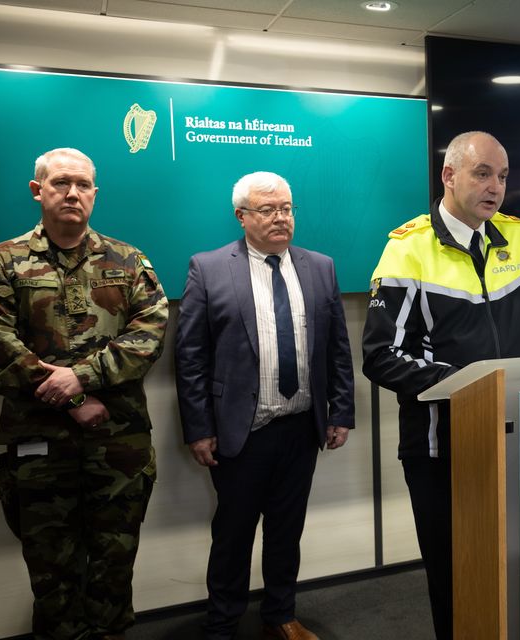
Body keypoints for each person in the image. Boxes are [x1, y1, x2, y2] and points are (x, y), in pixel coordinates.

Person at [362, 131, 520, 639]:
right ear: (449, 176)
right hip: (439, 449)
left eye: (503, 176)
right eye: (482, 173)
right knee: (456, 575)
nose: (496, 187)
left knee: (518, 562)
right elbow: (380, 356)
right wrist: (464, 384)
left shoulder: (517, 237)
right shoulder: (407, 250)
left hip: (516, 434)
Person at [175, 171, 355, 640]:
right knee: (233, 534)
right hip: (240, 431)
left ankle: (281, 614)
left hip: (300, 428)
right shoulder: (209, 267)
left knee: (286, 530)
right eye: (268, 210)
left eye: (287, 209)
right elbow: (190, 356)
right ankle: (223, 622)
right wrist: (198, 428)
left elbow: (338, 347)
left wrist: (341, 413)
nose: (281, 218)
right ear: (242, 216)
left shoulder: (320, 266)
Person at [0, 147, 168, 640]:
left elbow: (150, 333)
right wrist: (73, 399)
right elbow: (0, 344)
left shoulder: (128, 259)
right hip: (39, 445)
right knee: (51, 573)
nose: (73, 193)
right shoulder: (5, 261)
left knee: (116, 565)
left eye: (83, 185)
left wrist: (83, 378)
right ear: (38, 190)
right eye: (60, 183)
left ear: (95, 192)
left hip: (118, 444)